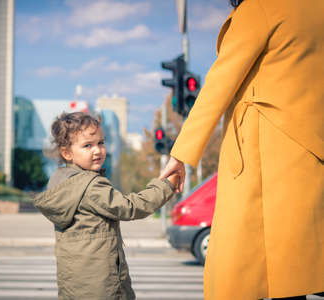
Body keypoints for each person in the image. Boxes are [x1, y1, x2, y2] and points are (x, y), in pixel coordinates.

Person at [159, 0, 324, 299]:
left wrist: (181, 152)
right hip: (311, 148)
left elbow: (219, 84)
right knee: (296, 268)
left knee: (246, 270)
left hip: (264, 151)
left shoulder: (260, 8)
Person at [33, 112, 178, 300]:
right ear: (67, 153)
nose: (98, 150)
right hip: (102, 286)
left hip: (74, 284)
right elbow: (131, 207)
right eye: (87, 145)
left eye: (101, 143)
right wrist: (166, 185)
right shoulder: (91, 186)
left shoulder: (60, 182)